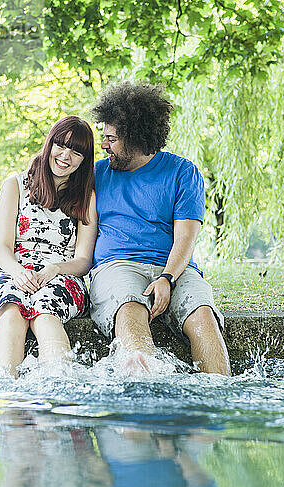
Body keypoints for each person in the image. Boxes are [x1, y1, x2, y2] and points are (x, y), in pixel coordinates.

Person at [89, 81, 231, 375]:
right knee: (129, 309)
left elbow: (186, 239)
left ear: (136, 138)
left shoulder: (182, 172)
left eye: (111, 138)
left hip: (176, 270)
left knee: (203, 316)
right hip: (117, 267)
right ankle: (145, 398)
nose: (104, 145)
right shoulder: (97, 173)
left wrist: (167, 277)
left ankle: (217, 400)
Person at [0, 116, 97, 377]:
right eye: (61, 146)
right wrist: (18, 273)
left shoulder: (86, 197)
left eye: (77, 152)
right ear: (49, 144)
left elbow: (84, 260)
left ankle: (58, 394)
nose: (66, 156)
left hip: (61, 276)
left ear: (85, 160)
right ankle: (8, 397)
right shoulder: (15, 185)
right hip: (12, 271)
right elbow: (2, 248)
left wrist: (54, 269)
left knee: (44, 313)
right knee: (11, 311)